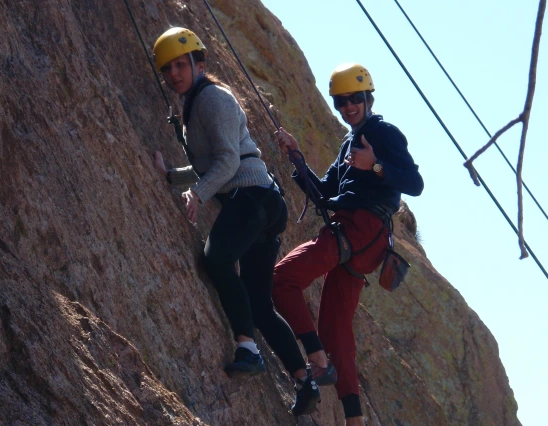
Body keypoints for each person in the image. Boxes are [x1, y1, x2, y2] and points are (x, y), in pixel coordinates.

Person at [150, 27, 320, 416]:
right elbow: (211, 164)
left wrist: (198, 193)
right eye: (167, 69)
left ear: (200, 65)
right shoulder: (198, 104)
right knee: (260, 303)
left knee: (216, 259)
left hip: (251, 197)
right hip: (263, 203)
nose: (173, 74)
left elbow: (227, 163)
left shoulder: (211, 99)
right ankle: (304, 380)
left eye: (180, 65)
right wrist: (174, 177)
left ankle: (247, 348)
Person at [272, 63, 424, 425]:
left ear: (368, 98)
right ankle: (355, 419)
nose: (348, 107)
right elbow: (325, 194)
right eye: (341, 102)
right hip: (358, 235)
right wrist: (296, 156)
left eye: (355, 99)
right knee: (336, 333)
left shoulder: (383, 132)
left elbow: (415, 183)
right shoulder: (347, 145)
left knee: (281, 279)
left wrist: (375, 166)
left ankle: (317, 361)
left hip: (362, 228)